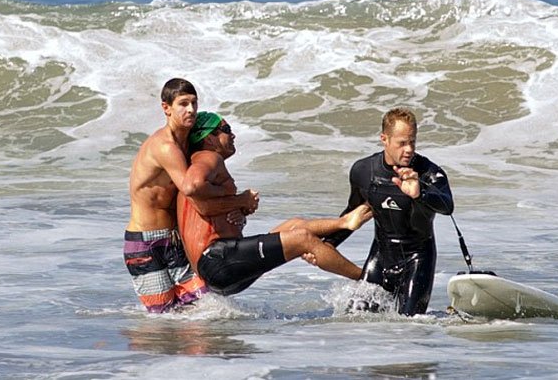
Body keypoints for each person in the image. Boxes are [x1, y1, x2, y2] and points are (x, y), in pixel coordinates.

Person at [176, 112, 373, 296]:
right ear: (209, 138)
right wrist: (240, 200)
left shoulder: (204, 162)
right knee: (302, 239)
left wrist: (240, 209)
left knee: (294, 225)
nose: (233, 135)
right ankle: (369, 280)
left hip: (220, 265)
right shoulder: (208, 157)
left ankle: (345, 222)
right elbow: (192, 186)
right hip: (219, 260)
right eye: (226, 130)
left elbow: (208, 210)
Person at [123, 78, 259, 313]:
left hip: (175, 239)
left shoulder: (188, 145)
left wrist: (236, 209)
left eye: (194, 103)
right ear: (166, 108)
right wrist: (234, 198)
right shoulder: (165, 146)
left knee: (205, 308)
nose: (191, 110)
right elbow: (190, 188)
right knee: (163, 318)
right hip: (146, 243)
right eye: (183, 104)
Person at [322, 107, 454, 316]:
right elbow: (352, 213)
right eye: (402, 143)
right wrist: (326, 244)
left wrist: (420, 194)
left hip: (418, 260)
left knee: (409, 325)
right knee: (353, 319)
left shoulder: (428, 172)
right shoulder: (364, 171)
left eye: (412, 141)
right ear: (384, 139)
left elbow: (447, 206)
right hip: (380, 258)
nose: (409, 149)